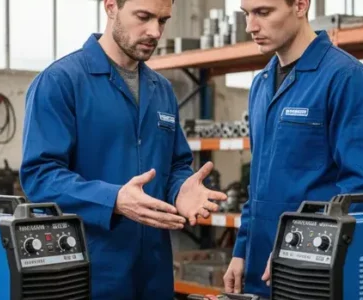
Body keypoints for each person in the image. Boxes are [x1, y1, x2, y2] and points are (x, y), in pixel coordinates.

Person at [20, 0, 227, 299]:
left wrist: (181, 189)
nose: (155, 32)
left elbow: (176, 164)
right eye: (143, 17)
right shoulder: (60, 82)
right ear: (111, 6)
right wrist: (113, 200)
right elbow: (40, 176)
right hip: (91, 272)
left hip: (154, 273)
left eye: (163, 21)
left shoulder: (162, 90)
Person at [222, 0, 363, 297]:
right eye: (246, 14)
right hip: (260, 266)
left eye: (263, 12)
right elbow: (258, 184)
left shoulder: (346, 78)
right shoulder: (261, 85)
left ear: (300, 5)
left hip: (314, 274)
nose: (251, 27)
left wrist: (298, 253)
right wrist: (241, 250)